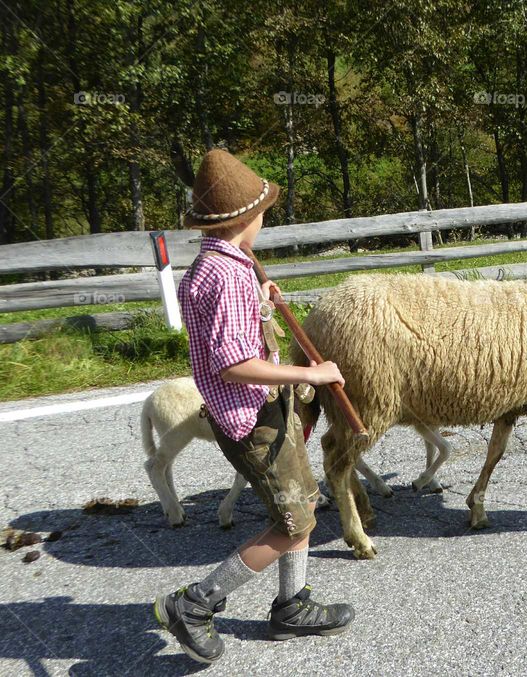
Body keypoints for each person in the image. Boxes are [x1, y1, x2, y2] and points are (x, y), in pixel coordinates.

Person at [154, 149, 354, 663]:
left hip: (268, 409)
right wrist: (310, 373)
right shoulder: (223, 277)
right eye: (262, 210)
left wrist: (260, 300)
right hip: (251, 422)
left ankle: (292, 605)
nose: (265, 217)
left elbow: (237, 330)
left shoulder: (227, 265)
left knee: (302, 502)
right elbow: (233, 363)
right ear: (246, 219)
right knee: (295, 523)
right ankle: (195, 603)